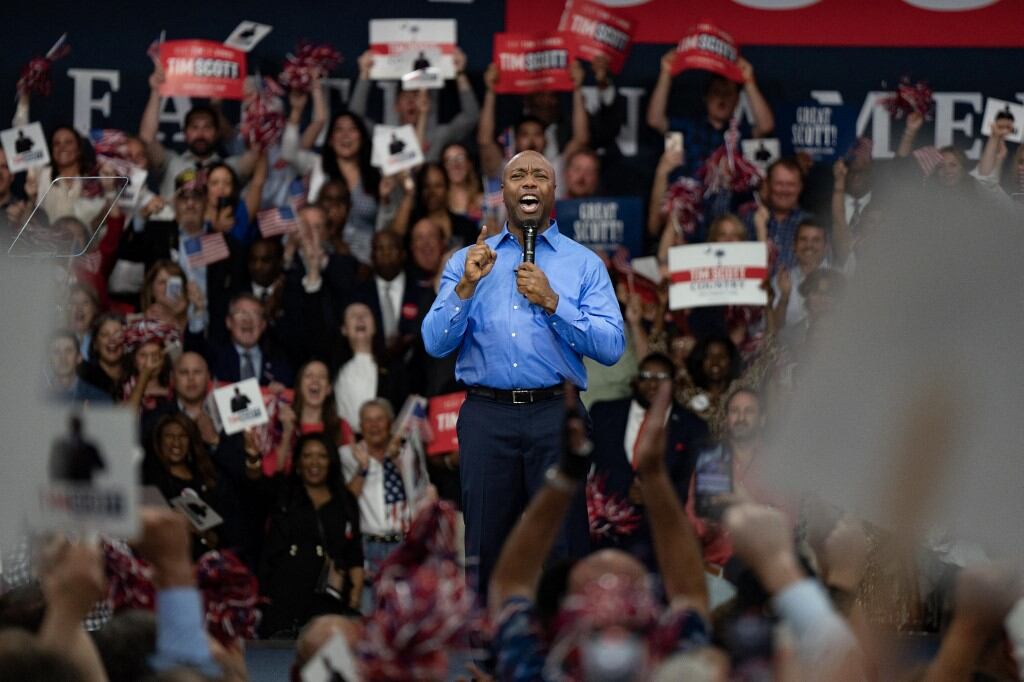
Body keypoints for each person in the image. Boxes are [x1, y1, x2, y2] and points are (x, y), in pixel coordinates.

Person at [422, 149, 625, 598]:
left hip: (555, 414)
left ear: (554, 191)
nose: (529, 182)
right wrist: (466, 287)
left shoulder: (584, 264)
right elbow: (434, 342)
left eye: (540, 175)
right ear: (503, 191)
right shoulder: (468, 260)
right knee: (485, 545)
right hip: (486, 416)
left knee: (562, 542)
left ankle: (563, 654)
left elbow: (612, 346)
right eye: (518, 175)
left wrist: (554, 301)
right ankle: (487, 659)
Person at [489, 380, 711, 680]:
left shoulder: (536, 671)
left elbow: (511, 583)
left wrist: (567, 473)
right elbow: (690, 593)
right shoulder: (675, 669)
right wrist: (654, 473)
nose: (610, 593)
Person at [588, 353, 709, 568]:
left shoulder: (693, 428)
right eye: (646, 376)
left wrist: (656, 494)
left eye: (661, 377)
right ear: (635, 381)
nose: (653, 383)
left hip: (661, 535)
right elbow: (587, 469)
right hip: (603, 535)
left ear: (674, 382)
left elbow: (694, 486)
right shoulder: (603, 413)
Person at [259, 433, 364, 636]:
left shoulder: (345, 501)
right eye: (307, 456)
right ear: (298, 461)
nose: (314, 462)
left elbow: (354, 551)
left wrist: (355, 596)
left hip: (330, 599)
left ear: (331, 461)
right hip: (283, 599)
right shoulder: (283, 495)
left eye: (322, 456)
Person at [646, 52, 774, 179]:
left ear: (737, 101)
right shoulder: (686, 128)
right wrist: (666, 73)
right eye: (716, 92)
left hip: (727, 197)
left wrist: (749, 81)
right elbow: (655, 121)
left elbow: (766, 126)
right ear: (706, 98)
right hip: (686, 195)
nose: (722, 98)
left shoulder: (739, 133)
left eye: (728, 93)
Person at [140, 62, 257, 199]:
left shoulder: (230, 168)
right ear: (185, 132)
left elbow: (257, 151)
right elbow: (147, 138)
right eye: (194, 127)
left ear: (217, 132)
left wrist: (252, 101)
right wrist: (156, 91)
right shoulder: (170, 163)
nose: (201, 134)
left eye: (207, 127)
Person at [685, 387, 772, 572]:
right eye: (735, 411)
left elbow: (786, 524)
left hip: (762, 572)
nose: (740, 418)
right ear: (727, 419)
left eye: (749, 411)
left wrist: (745, 502)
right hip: (715, 571)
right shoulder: (711, 460)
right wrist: (706, 524)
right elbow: (692, 522)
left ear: (762, 419)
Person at [339, 399, 412, 613]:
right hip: (367, 548)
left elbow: (421, 494)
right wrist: (362, 469)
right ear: (360, 426)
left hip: (403, 546)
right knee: (367, 620)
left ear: (390, 423)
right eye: (368, 421)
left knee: (402, 619)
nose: (374, 425)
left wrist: (400, 462)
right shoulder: (347, 455)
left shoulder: (407, 452)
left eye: (379, 419)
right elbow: (345, 502)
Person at [279, 112, 383, 264]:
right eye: (339, 130)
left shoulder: (376, 173)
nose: (345, 135)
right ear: (330, 139)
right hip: (323, 253)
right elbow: (288, 154)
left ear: (362, 137)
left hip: (365, 258)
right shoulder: (317, 165)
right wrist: (296, 110)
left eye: (352, 129)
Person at [351, 48, 479, 162]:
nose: (412, 102)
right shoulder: (384, 136)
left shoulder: (438, 136)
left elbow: (471, 116)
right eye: (406, 96)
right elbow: (354, 119)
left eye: (417, 96)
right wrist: (364, 74)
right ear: (396, 105)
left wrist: (460, 73)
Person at [331, 302, 408, 435]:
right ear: (344, 329)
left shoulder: (394, 369)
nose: (360, 318)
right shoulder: (333, 370)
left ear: (374, 327)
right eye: (353, 315)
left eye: (365, 314)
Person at [195, 293, 294, 388]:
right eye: (241, 314)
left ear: (263, 324)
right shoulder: (212, 357)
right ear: (229, 322)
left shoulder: (279, 361)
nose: (248, 320)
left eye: (255, 314)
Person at [744, 158, 809, 270]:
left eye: (791, 184)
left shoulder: (810, 225)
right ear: (768, 185)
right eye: (779, 183)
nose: (784, 190)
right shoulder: (748, 220)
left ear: (800, 187)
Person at [75, 313, 127, 403]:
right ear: (95, 344)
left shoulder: (135, 374)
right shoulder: (83, 376)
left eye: (118, 334)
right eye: (105, 335)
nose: (112, 340)